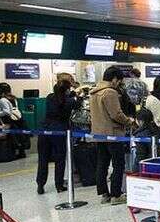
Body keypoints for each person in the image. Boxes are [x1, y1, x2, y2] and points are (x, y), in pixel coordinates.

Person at [90, 66, 135, 204]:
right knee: (118, 163)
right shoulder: (110, 92)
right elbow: (116, 114)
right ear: (114, 79)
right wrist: (129, 121)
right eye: (119, 81)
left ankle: (104, 194)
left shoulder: (94, 92)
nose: (119, 84)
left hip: (99, 133)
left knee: (102, 163)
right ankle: (116, 194)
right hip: (113, 133)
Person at [36, 80, 80, 194]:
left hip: (44, 130)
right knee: (59, 159)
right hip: (59, 132)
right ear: (66, 90)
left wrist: (70, 94)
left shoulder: (49, 97)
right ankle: (59, 185)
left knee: (43, 159)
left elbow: (59, 98)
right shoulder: (69, 101)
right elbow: (77, 105)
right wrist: (78, 95)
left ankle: (40, 185)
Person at [0, 83, 27, 160]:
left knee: (12, 138)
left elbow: (7, 112)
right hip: (18, 118)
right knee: (19, 136)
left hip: (9, 120)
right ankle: (22, 152)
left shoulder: (2, 99)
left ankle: (12, 154)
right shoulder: (13, 98)